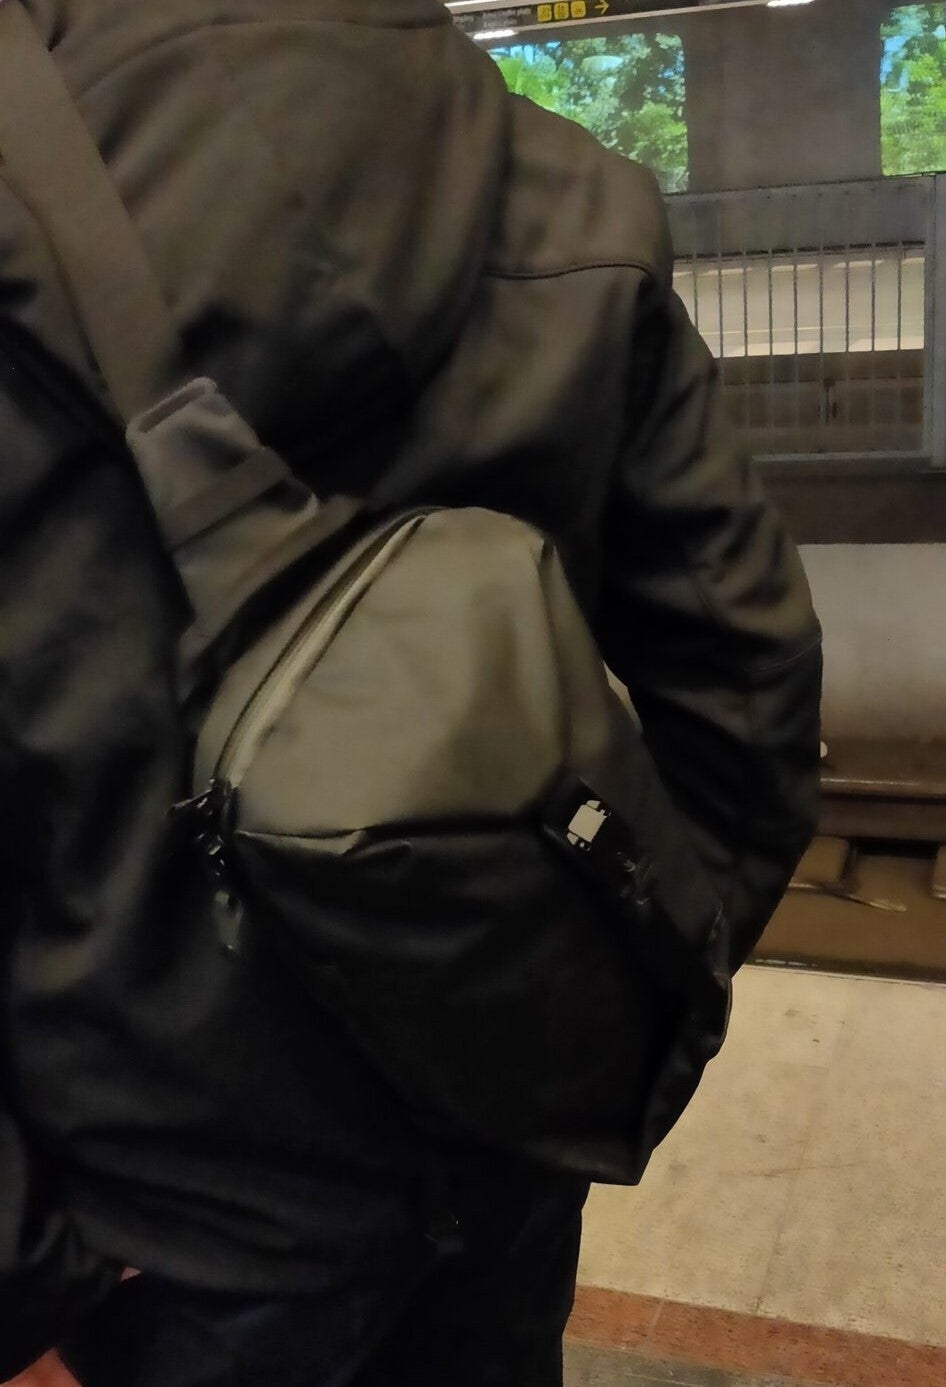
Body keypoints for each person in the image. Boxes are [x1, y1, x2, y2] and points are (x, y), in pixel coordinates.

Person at [0, 1, 822, 1383]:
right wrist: (605, 1019)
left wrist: (32, 1263)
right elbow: (749, 683)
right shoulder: (562, 187)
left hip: (173, 1223)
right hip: (500, 1153)